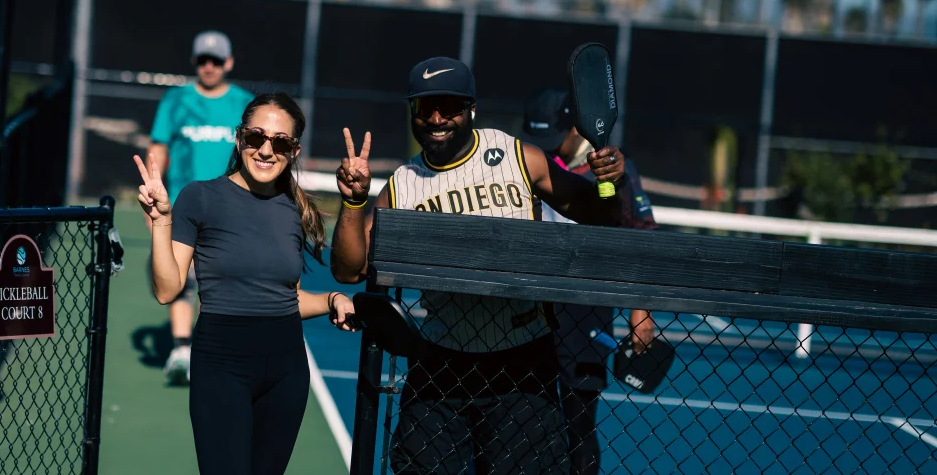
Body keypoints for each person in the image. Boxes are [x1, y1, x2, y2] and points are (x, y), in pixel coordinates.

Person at [331, 56, 627, 474]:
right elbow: (348, 270)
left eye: (448, 106)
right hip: (440, 364)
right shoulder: (403, 184)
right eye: (424, 106)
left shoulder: (517, 156)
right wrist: (353, 200)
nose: (436, 117)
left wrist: (610, 180)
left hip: (522, 364)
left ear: (471, 108)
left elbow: (599, 213)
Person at [133, 92, 359, 475]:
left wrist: (333, 298)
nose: (266, 150)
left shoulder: (294, 209)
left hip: (286, 370)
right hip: (222, 365)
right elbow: (167, 290)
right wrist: (161, 221)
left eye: (280, 142)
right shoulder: (200, 197)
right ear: (240, 139)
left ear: (294, 150)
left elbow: (284, 299)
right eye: (256, 137)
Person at [523, 88, 658, 475]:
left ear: (573, 128)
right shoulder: (526, 163)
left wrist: (641, 311)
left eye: (553, 140)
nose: (547, 149)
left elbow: (642, 235)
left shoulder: (610, 168)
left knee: (578, 424)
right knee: (523, 419)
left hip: (586, 313)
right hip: (530, 310)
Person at [145, 30, 254, 385]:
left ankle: (207, 349)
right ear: (195, 62)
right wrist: (153, 194)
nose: (209, 66)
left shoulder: (245, 103)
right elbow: (159, 148)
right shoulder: (175, 101)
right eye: (203, 60)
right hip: (181, 205)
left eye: (216, 60)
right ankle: (180, 349)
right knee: (181, 278)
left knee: (217, 281)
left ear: (229, 63)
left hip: (230, 209)